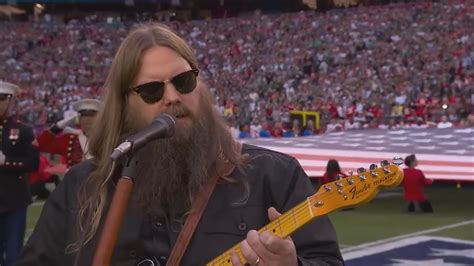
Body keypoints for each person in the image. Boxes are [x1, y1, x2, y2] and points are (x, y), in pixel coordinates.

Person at [17, 24, 343, 266]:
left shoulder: (273, 176)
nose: (172, 97)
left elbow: (326, 261)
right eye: (151, 91)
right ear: (125, 103)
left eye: (183, 81)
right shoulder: (82, 186)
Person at [0, 81, 39, 266]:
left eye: (1, 99)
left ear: (10, 101)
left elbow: (33, 163)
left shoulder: (23, 130)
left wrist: (6, 162)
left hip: (14, 200)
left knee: (14, 253)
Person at [35, 98, 100, 168]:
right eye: (84, 115)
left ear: (99, 118)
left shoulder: (105, 138)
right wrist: (60, 125)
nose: (88, 118)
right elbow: (38, 145)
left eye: (92, 115)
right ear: (79, 119)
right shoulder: (70, 139)